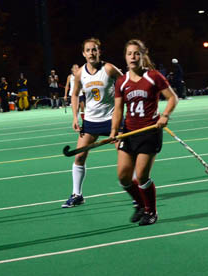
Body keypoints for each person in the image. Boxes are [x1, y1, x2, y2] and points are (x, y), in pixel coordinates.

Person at [110, 39, 178, 226]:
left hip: (150, 132)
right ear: (125, 57)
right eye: (130, 53)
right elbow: (118, 110)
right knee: (123, 177)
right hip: (129, 133)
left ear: (142, 56)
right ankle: (141, 204)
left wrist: (165, 115)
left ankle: (151, 211)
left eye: (136, 53)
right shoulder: (122, 82)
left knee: (141, 176)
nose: (133, 57)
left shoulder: (154, 77)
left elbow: (173, 98)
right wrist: (114, 131)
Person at [61, 38, 123, 208]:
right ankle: (77, 194)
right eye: (88, 50)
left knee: (125, 156)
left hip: (112, 120)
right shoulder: (80, 73)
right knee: (79, 156)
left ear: (99, 52)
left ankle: (136, 192)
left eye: (94, 50)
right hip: (90, 121)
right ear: (83, 53)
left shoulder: (109, 68)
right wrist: (75, 117)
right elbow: (74, 95)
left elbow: (126, 83)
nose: (91, 53)